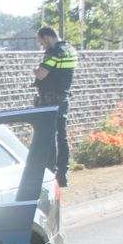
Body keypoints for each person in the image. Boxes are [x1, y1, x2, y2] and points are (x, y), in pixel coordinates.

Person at [34, 26, 77, 187]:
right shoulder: (70, 50)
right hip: (64, 98)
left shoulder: (53, 53)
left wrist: (35, 70)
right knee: (62, 136)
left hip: (50, 100)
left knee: (49, 136)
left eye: (41, 42)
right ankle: (63, 174)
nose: (42, 46)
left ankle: (50, 171)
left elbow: (41, 74)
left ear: (47, 37)